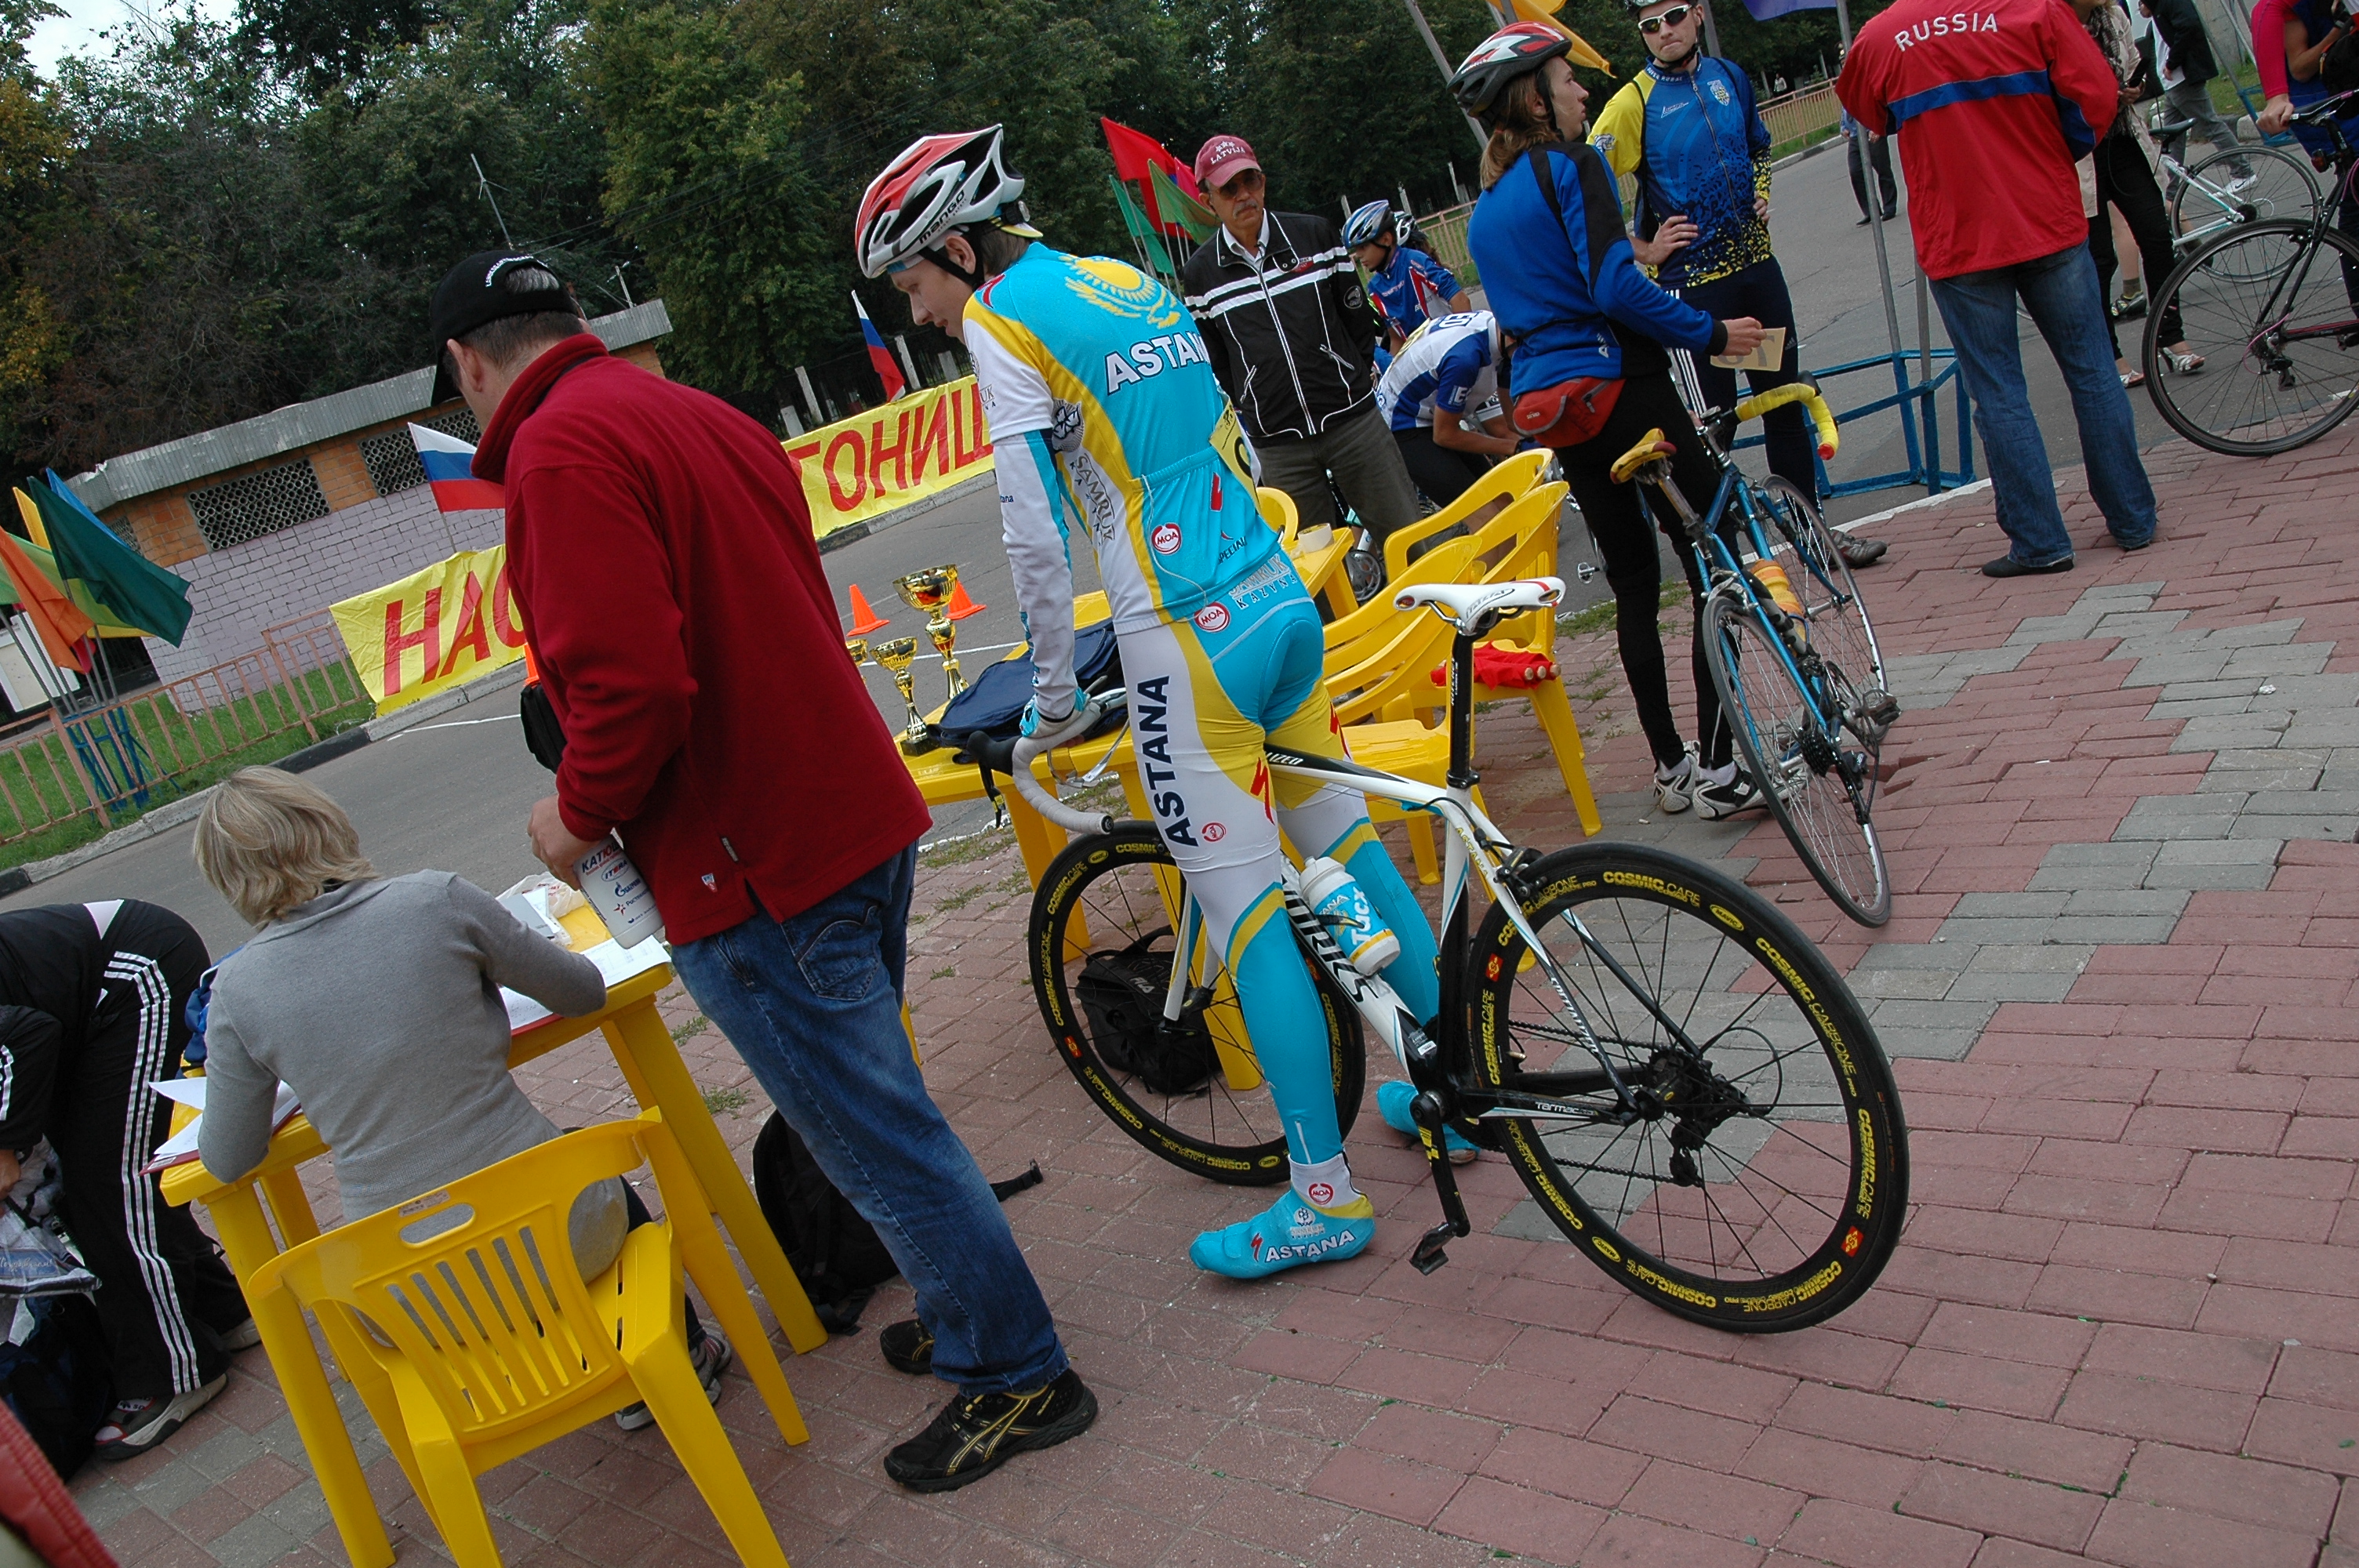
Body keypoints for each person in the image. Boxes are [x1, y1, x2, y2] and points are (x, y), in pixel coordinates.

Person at [429, 246, 1092, 1492]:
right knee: (882, 1110)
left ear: (468, 363)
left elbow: (634, 688)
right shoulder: (689, 410)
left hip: (754, 867)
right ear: (572, 320)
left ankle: (1017, 1373)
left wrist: (571, 819)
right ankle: (972, 1315)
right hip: (844, 812)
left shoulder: (558, 456)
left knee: (877, 1136)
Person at [859, 126, 1449, 1279]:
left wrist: (1050, 698)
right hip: (1272, 596)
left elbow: (1032, 535)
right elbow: (1226, 428)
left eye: (914, 283)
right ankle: (1457, 1092)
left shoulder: (1000, 321)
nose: (917, 314)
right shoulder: (1121, 278)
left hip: (1183, 630)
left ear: (961, 252)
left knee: (1248, 916)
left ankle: (1322, 1198)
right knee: (1355, 854)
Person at [190, 768, 722, 1436]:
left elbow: (228, 1157)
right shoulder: (433, 900)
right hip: (561, 1233)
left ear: (228, 879)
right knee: (586, 1169)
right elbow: (583, 992)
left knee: (492, 1219)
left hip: (410, 1296)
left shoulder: (237, 991)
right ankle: (676, 1360)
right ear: (328, 826)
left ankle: (530, 1383)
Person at [1455, 20, 1775, 820]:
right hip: (1623, 384)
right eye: (1567, 79)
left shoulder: (1484, 211)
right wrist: (1709, 332)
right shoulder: (1575, 164)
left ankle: (1671, 769)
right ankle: (1720, 766)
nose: (1582, 89)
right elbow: (1614, 287)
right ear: (1535, 99)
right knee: (1711, 554)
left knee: (1633, 584)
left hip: (1557, 411)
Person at [1839, 0, 2161, 576]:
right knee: (2092, 372)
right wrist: (2054, 150)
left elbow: (1870, 114)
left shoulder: (1881, 37)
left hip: (1960, 238)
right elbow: (2097, 98)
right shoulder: (2034, 9)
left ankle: (2041, 542)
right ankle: (2133, 518)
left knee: (1999, 393)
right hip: (2046, 215)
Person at [1591, 0, 1888, 568]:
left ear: (1698, 15)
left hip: (1756, 277)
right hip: (1695, 295)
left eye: (1673, 16)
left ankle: (1815, 538)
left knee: (1784, 404)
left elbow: (1758, 146)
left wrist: (1762, 193)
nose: (1664, 32)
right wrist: (1644, 249)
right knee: (1710, 433)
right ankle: (1723, 565)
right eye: (1649, 26)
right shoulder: (1632, 103)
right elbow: (1585, 196)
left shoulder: (1728, 76)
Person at [0, 901, 251, 1459]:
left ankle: (173, 1374)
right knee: (88, 1180)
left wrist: (5, 1146)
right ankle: (222, 1311)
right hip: (75, 1014)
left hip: (137, 976)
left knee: (111, 1185)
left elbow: (24, 1035)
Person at [1180, 135, 1424, 557]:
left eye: (1250, 181)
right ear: (1208, 201)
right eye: (1229, 189)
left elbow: (1356, 315)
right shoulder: (1200, 273)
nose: (1244, 195)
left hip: (1353, 423)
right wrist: (1255, 399)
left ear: (1263, 182)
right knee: (1315, 568)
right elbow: (1217, 358)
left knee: (1409, 540)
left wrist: (1347, 374)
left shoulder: (1314, 234)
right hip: (1279, 446)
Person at [2078, 0, 2210, 383]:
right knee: (2099, 258)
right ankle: (2109, 354)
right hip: (2080, 151)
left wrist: (2134, 90)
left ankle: (2170, 338)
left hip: (2123, 140)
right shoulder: (2049, 22)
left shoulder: (2113, 16)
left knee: (2156, 236)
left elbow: (2136, 64)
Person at [1374, 309, 1518, 510]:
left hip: (1427, 410)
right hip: (1402, 424)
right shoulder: (1464, 360)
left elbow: (1513, 422)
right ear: (1512, 338)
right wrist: (1513, 447)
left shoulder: (1498, 330)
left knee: (1504, 501)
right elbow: (1445, 435)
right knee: (1484, 514)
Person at [2143, 0, 2256, 187]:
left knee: (2210, 125)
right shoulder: (2158, 6)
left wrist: (2172, 62)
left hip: (2181, 78)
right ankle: (2171, 192)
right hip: (2172, 83)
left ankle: (2243, 171)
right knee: (2172, 138)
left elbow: (2189, 26)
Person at [1344, 199, 1474, 348]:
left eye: (1363, 247)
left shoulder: (1414, 261)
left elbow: (1460, 300)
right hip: (1423, 355)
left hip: (1451, 345)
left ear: (1386, 240)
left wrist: (1464, 344)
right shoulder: (1375, 288)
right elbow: (1396, 339)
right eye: (1355, 250)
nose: (1358, 255)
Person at [1840, 108, 1899, 225]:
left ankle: (1889, 207)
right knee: (1855, 172)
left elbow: (1879, 106)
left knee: (1882, 169)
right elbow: (1845, 107)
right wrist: (1843, 126)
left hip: (1872, 131)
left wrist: (1877, 128)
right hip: (1855, 136)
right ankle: (1871, 211)